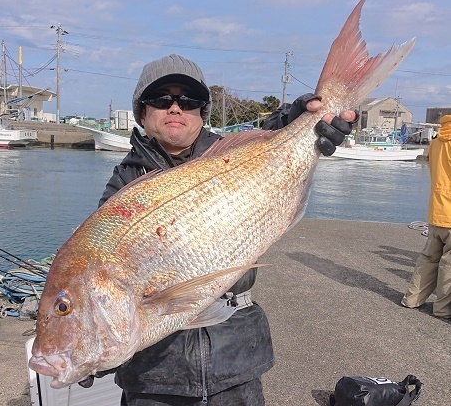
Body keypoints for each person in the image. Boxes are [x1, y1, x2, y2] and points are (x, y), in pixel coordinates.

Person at [91, 54, 357, 405]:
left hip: (236, 362)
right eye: (161, 100)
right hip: (155, 380)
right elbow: (100, 269)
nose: (175, 108)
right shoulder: (125, 182)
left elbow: (269, 139)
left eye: (189, 101)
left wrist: (304, 118)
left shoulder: (230, 157)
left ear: (203, 114)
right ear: (142, 113)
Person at [401, 115, 451, 319]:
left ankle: (412, 299)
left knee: (428, 259)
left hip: (436, 210)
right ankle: (442, 309)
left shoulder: (437, 141)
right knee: (448, 266)